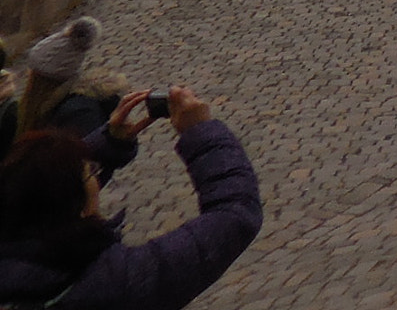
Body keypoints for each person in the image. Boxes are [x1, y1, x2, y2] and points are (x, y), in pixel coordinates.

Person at [0, 84, 263, 310]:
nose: (95, 178)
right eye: (90, 174)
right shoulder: (114, 283)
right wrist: (201, 131)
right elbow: (235, 214)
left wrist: (108, 143)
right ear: (78, 207)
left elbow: (39, 185)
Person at [0, 19, 123, 152]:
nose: (28, 75)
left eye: (33, 72)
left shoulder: (75, 114)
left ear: (41, 80)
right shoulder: (53, 108)